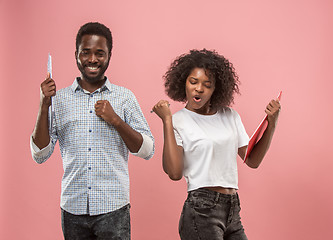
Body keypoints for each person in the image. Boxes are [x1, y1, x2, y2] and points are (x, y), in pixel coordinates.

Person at [30, 22, 154, 239]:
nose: (93, 59)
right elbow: (40, 154)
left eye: (100, 53)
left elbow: (147, 150)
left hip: (114, 209)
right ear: (76, 54)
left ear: (109, 55)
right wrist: (44, 104)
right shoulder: (58, 100)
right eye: (86, 52)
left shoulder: (124, 98)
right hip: (72, 210)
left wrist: (116, 120)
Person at [152, 49, 281, 240]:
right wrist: (167, 121)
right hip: (201, 210)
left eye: (207, 84)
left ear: (216, 89)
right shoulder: (178, 121)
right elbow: (174, 173)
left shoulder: (230, 116)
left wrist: (272, 124)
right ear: (183, 83)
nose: (199, 89)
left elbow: (252, 160)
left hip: (233, 209)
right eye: (193, 82)